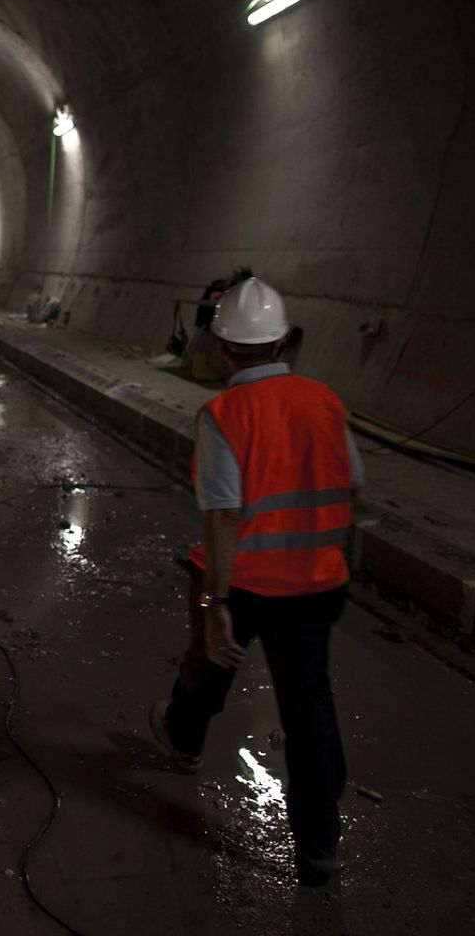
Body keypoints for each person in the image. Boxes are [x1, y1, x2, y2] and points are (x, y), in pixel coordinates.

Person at [149, 277, 363, 886]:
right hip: (317, 587)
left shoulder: (223, 414)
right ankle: (319, 844)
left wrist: (217, 602)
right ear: (284, 341)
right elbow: (354, 483)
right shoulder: (326, 401)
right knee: (309, 707)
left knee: (209, 667)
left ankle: (184, 741)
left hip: (244, 585)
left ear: (220, 347)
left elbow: (224, 514)